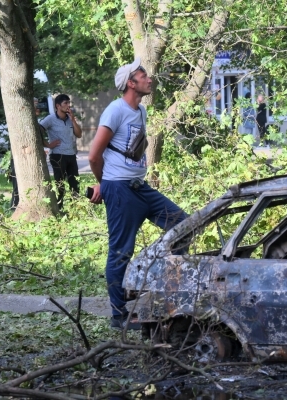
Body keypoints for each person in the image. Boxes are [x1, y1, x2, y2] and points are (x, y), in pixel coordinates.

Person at [88, 57, 189, 330]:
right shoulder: (115, 111)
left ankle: (163, 287)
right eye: (143, 75)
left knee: (183, 225)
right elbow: (94, 155)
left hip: (140, 188)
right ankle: (119, 315)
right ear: (131, 83)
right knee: (121, 251)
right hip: (120, 190)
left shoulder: (141, 112)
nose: (149, 78)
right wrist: (105, 184)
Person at [9, 98, 61, 210]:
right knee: (18, 185)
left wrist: (48, 146)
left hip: (31, 158)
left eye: (38, 105)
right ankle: (13, 208)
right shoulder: (21, 122)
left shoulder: (34, 123)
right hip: (20, 158)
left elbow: (38, 138)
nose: (39, 108)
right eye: (35, 105)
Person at [39, 94, 82, 209]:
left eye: (69, 103)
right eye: (65, 103)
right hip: (57, 155)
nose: (69, 106)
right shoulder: (50, 119)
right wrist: (47, 144)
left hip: (71, 155)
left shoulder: (70, 119)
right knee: (60, 184)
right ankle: (59, 208)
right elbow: (38, 131)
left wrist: (73, 120)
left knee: (74, 183)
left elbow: (79, 134)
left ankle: (76, 208)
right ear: (58, 106)